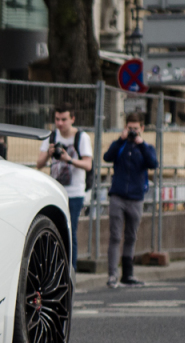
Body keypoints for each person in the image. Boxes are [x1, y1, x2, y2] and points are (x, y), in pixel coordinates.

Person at [103, 112, 159, 288]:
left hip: (136, 198)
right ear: (125, 127)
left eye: (136, 129)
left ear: (142, 129)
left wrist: (140, 144)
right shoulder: (120, 145)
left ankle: (128, 274)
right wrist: (121, 139)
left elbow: (153, 163)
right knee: (114, 237)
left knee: (131, 236)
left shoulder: (146, 147)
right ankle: (113, 274)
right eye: (130, 128)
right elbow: (107, 157)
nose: (133, 132)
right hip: (118, 196)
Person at [36, 103, 93, 270]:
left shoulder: (81, 138)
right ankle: (54, 268)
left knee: (70, 232)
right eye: (57, 119)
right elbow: (39, 164)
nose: (60, 123)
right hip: (54, 191)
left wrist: (69, 159)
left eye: (64, 119)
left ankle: (70, 270)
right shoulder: (51, 136)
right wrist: (49, 152)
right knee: (52, 231)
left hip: (74, 192)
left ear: (72, 119)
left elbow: (88, 165)